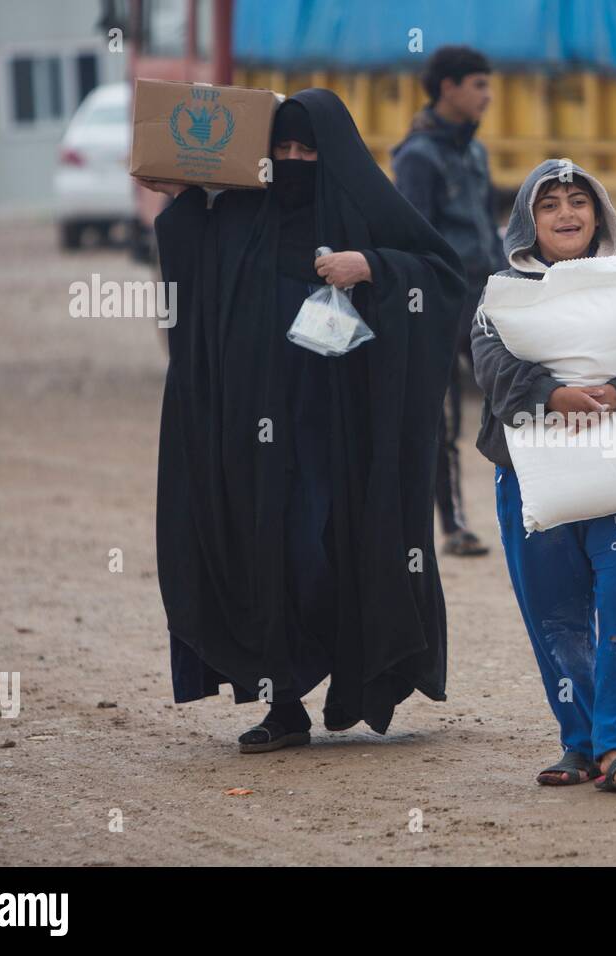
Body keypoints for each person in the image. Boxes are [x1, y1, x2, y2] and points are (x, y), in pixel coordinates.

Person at [138, 90, 466, 751]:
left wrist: (371, 265)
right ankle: (282, 706)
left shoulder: (361, 210)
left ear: (333, 154)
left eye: (307, 151)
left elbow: (443, 278)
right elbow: (191, 284)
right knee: (264, 555)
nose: (292, 162)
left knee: (319, 553)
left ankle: (352, 680)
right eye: (280, 150)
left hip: (338, 437)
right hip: (252, 439)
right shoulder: (239, 215)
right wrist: (180, 202)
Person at [471, 159, 616, 791]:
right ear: (527, 222)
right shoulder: (502, 294)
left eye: (577, 202)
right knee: (555, 611)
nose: (566, 214)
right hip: (534, 474)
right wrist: (551, 395)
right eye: (549, 205)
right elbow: (490, 369)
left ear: (599, 214)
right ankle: (583, 740)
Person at [392, 46, 504, 557]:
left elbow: (488, 227)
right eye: (478, 84)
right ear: (448, 89)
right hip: (440, 303)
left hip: (487, 296)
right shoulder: (417, 155)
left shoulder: (475, 152)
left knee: (517, 401)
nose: (487, 95)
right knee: (443, 419)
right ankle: (452, 524)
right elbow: (415, 237)